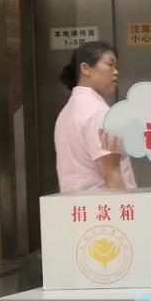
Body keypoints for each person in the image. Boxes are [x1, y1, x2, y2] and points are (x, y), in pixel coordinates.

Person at [53, 41, 133, 192]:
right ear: (85, 69)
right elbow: (112, 174)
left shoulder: (68, 111)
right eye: (110, 64)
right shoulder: (98, 112)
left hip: (75, 203)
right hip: (104, 203)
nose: (116, 72)